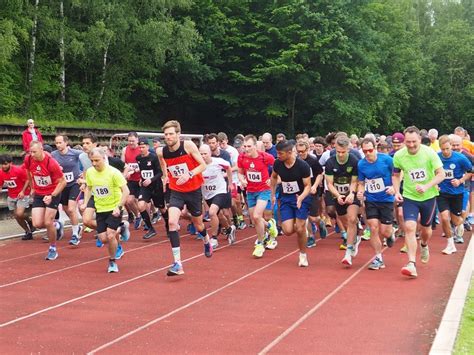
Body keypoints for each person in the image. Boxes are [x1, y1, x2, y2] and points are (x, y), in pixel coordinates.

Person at [157, 120, 212, 277]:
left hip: (193, 190)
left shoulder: (187, 146)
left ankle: (206, 240)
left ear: (178, 134)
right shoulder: (162, 151)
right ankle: (177, 263)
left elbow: (203, 165)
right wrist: (166, 176)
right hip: (177, 190)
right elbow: (162, 163)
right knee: (172, 222)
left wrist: (188, 174)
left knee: (199, 224)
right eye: (166, 134)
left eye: (171, 134)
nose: (168, 137)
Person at [393, 126, 445, 278]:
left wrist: (427, 186)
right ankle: (411, 263)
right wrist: (397, 192)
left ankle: (424, 245)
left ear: (420, 140)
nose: (411, 145)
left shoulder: (429, 153)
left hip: (429, 196)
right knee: (409, 227)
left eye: (414, 142)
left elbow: (441, 174)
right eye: (408, 142)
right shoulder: (399, 155)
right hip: (410, 196)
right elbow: (396, 175)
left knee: (426, 230)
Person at [81, 148, 130, 273]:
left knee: (110, 235)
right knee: (103, 239)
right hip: (100, 209)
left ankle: (112, 261)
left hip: (114, 209)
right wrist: (85, 203)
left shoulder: (113, 173)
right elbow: (89, 188)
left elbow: (126, 191)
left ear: (104, 159)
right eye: (92, 161)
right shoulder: (90, 172)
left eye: (97, 160)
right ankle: (122, 228)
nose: (94, 163)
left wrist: (119, 207)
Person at [271, 140, 312, 267]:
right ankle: (302, 224)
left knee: (300, 229)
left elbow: (307, 186)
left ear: (289, 152)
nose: (278, 155)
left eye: (280, 153)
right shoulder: (278, 163)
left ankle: (303, 255)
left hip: (301, 197)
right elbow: (273, 177)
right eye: (277, 153)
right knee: (288, 230)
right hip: (286, 199)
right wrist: (272, 194)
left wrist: (301, 198)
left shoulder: (303, 166)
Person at [357, 138, 395, 270]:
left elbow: (397, 175)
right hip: (371, 199)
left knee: (385, 231)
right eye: (365, 151)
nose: (367, 153)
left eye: (370, 150)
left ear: (375, 148)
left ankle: (390, 234)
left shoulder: (387, 160)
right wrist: (360, 192)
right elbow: (361, 183)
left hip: (386, 199)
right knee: (373, 227)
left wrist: (394, 188)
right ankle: (378, 258)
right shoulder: (361, 164)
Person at [238, 134, 278, 258]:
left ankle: (260, 244)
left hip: (263, 190)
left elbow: (279, 168)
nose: (246, 148)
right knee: (255, 219)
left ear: (255, 146)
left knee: (257, 215)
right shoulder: (242, 157)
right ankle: (270, 226)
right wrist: (242, 180)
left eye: (249, 146)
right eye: (244, 146)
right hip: (250, 191)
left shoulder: (265, 157)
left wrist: (272, 180)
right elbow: (240, 173)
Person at [325, 135, 362, 266]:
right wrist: (337, 195)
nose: (340, 155)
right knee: (346, 222)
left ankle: (348, 252)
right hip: (337, 194)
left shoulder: (354, 160)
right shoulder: (330, 162)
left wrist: (352, 193)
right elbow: (329, 183)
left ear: (348, 149)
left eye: (343, 152)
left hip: (352, 193)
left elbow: (355, 180)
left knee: (352, 218)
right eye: (338, 152)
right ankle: (356, 236)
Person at [26, 141, 66, 260]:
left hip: (53, 192)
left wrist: (52, 195)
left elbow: (63, 182)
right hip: (39, 193)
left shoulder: (51, 163)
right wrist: (32, 187)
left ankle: (53, 248)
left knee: (48, 222)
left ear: (41, 150)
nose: (32, 154)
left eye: (34, 152)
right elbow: (28, 172)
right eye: (30, 152)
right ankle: (56, 225)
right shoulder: (28, 160)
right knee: (37, 223)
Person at [437, 135, 472, 251]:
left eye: (447, 148)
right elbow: (431, 172)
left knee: (456, 220)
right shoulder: (437, 157)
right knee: (444, 217)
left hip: (457, 192)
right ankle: (450, 244)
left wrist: (460, 180)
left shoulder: (460, 158)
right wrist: (435, 183)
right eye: (443, 149)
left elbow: (470, 171)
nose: (445, 151)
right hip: (442, 193)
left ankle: (461, 223)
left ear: (451, 146)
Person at [200, 144, 237, 247]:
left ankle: (214, 238)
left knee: (212, 212)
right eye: (201, 154)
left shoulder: (218, 162)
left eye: (205, 154)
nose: (203, 156)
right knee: (219, 215)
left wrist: (230, 183)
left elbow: (229, 168)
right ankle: (230, 229)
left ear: (210, 153)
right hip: (208, 194)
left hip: (220, 191)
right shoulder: (197, 164)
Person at [52, 135, 83, 245]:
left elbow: (87, 158)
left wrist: (83, 174)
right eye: (56, 143)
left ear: (66, 143)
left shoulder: (75, 153)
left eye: (60, 142)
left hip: (74, 183)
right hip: (63, 185)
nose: (58, 145)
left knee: (71, 208)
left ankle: (75, 234)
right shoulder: (53, 155)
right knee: (66, 209)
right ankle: (77, 227)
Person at [295, 141, 325, 248]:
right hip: (300, 192)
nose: (301, 154)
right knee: (304, 216)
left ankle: (320, 222)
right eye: (299, 152)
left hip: (312, 191)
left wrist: (315, 186)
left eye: (303, 151)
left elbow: (320, 174)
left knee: (313, 218)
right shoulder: (296, 161)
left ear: (307, 150)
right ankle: (311, 236)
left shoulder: (313, 161)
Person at [136, 138, 167, 240]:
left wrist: (151, 179)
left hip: (156, 186)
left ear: (148, 147)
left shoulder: (153, 157)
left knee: (162, 208)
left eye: (143, 147)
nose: (141, 149)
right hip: (145, 187)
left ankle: (168, 225)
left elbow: (160, 173)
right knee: (140, 205)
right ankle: (150, 229)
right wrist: (142, 178)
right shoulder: (138, 158)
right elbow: (143, 170)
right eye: (139, 147)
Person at [0, 154, 32, 240]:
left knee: (19, 213)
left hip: (23, 194)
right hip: (11, 196)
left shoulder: (18, 170)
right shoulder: (1, 172)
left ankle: (29, 221)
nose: (4, 166)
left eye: (5, 164)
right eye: (2, 164)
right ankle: (28, 231)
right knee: (17, 216)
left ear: (10, 163)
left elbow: (27, 180)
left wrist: (22, 191)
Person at [121, 132, 143, 229]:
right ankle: (138, 216)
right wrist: (125, 173)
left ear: (137, 140)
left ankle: (149, 215)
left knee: (142, 203)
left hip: (141, 179)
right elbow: (122, 164)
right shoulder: (125, 150)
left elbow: (145, 164)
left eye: (133, 141)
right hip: (131, 179)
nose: (131, 143)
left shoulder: (141, 149)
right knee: (129, 200)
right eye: (129, 141)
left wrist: (135, 170)